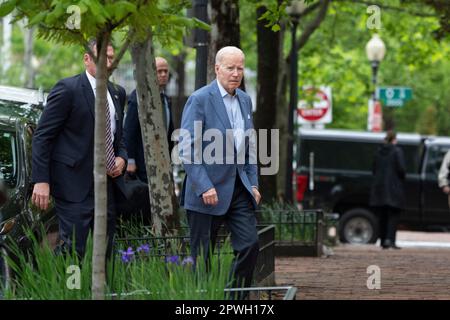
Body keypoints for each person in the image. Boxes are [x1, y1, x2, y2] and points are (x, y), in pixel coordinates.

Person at [31, 40, 128, 259]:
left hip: (107, 187)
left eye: (112, 58)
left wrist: (121, 158)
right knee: (75, 249)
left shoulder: (117, 93)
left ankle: (102, 292)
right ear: (87, 59)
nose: (108, 63)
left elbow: (118, 139)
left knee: (106, 250)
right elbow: (43, 136)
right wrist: (41, 180)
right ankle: (72, 290)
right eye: (102, 57)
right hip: (73, 185)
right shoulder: (68, 89)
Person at [179, 46, 261, 296]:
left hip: (239, 188)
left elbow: (249, 146)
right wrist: (204, 186)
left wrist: (254, 184)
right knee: (201, 259)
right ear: (217, 69)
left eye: (240, 68)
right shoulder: (200, 99)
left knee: (250, 244)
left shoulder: (245, 100)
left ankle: (233, 300)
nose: (236, 73)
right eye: (230, 68)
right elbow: (187, 147)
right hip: (206, 192)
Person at [124, 56, 174, 183]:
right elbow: (129, 132)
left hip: (163, 163)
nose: (163, 74)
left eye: (165, 71)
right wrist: (130, 160)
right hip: (142, 164)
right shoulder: (138, 98)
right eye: (159, 71)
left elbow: (168, 130)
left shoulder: (166, 99)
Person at [369, 130, 406, 249]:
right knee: (393, 215)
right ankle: (391, 240)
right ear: (394, 139)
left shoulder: (378, 151)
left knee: (382, 216)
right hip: (393, 188)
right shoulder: (397, 151)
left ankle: (383, 240)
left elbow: (373, 169)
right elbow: (401, 169)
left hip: (379, 189)